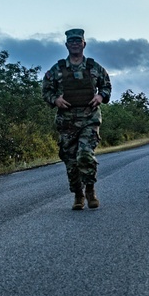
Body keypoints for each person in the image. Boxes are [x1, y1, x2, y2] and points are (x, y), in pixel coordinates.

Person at [42, 28, 112, 210]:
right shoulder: (57, 69)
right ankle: (78, 195)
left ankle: (90, 190)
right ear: (66, 45)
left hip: (89, 118)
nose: (74, 44)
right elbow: (46, 90)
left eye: (78, 41)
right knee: (71, 162)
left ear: (83, 44)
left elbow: (106, 85)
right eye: (71, 41)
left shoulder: (93, 67)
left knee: (85, 155)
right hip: (67, 122)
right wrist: (55, 99)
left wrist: (100, 96)